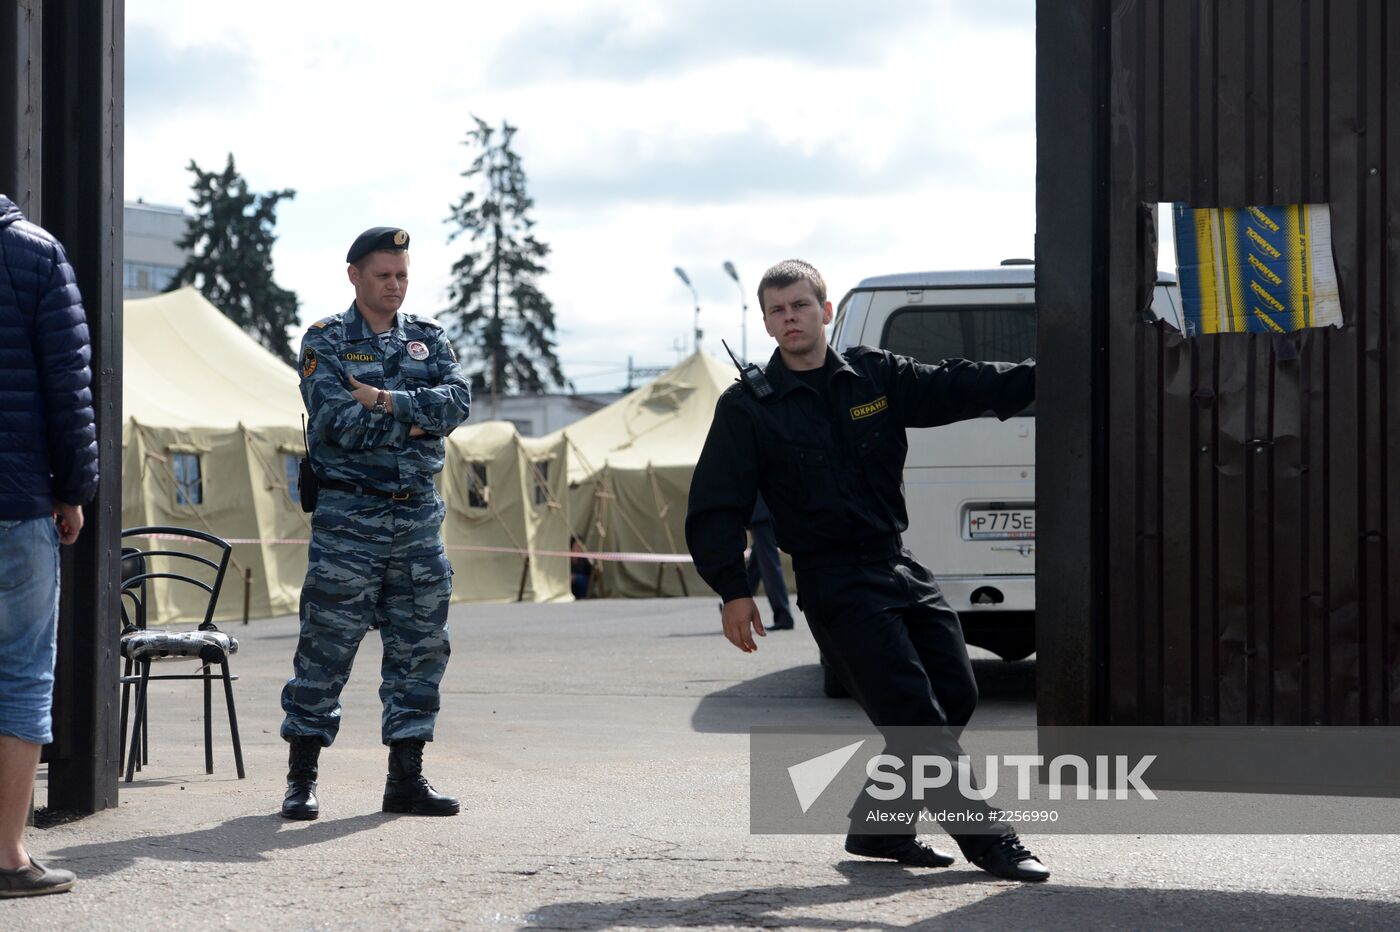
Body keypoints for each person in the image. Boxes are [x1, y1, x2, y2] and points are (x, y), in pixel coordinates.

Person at [685, 259, 1048, 882]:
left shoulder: (876, 376)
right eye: (776, 310)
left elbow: (964, 385)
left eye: (800, 305)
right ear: (767, 324)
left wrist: (1054, 374)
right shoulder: (749, 407)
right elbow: (717, 502)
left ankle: (880, 828)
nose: (789, 318)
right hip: (835, 582)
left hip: (896, 563)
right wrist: (733, 589)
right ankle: (994, 843)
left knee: (955, 694)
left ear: (825, 311)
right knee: (914, 716)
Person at [280, 227, 472, 820]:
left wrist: (386, 402)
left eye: (403, 275)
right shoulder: (326, 340)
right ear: (355, 276)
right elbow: (339, 423)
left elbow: (458, 403)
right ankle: (301, 778)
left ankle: (406, 778)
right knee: (326, 647)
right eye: (384, 275)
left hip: (416, 515)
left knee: (419, 649)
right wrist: (419, 417)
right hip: (348, 516)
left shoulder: (428, 339)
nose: (395, 285)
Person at [0, 194, 97, 897]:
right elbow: (69, 385)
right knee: (22, 675)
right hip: (18, 501)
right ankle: (6, 856)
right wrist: (74, 489)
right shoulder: (36, 254)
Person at [745, 494, 794, 630]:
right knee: (760, 558)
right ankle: (738, 596)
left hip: (761, 509)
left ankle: (783, 615)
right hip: (767, 507)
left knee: (769, 564)